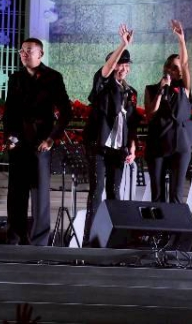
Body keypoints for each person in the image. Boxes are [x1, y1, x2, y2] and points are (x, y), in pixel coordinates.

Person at [3, 36, 71, 246]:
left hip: (41, 142)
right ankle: (15, 238)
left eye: (29, 51)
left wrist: (51, 138)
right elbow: (9, 111)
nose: (24, 54)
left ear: (40, 54)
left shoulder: (53, 77)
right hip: (18, 142)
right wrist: (9, 137)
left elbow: (66, 111)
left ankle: (40, 241)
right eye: (22, 51)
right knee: (16, 193)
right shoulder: (15, 78)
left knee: (40, 193)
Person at [83, 23, 139, 244]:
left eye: (126, 65)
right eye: (119, 64)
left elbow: (132, 124)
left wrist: (132, 146)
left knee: (115, 191)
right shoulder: (103, 84)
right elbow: (106, 70)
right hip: (98, 146)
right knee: (97, 190)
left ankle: (114, 238)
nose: (123, 68)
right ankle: (90, 239)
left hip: (118, 149)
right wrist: (122, 45)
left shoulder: (131, 92)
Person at [143, 19, 192, 205]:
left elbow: (185, 64)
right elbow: (150, 115)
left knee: (176, 194)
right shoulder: (152, 89)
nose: (169, 69)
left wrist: (181, 40)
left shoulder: (184, 89)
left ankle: (175, 223)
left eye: (174, 67)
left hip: (180, 144)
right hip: (158, 142)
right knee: (157, 194)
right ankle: (157, 223)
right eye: (168, 65)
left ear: (180, 72)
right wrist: (161, 91)